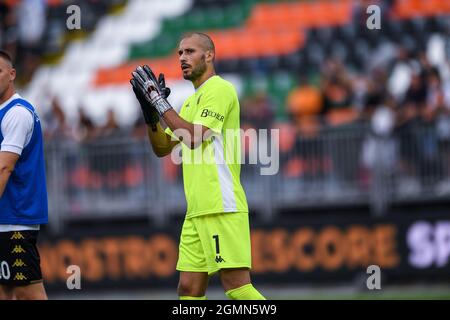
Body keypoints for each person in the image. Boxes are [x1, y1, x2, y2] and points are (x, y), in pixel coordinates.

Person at [130, 32, 265, 300]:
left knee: (237, 287)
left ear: (209, 55)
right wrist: (150, 114)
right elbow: (161, 148)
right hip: (197, 210)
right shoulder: (190, 102)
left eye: (190, 51)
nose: (182, 58)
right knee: (189, 290)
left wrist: (159, 101)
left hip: (221, 204)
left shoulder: (220, 89)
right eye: (180, 53)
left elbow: (192, 138)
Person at [0, 50, 48, 300]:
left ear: (11, 74)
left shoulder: (17, 113)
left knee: (28, 294)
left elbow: (4, 168)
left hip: (14, 221)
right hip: (4, 220)